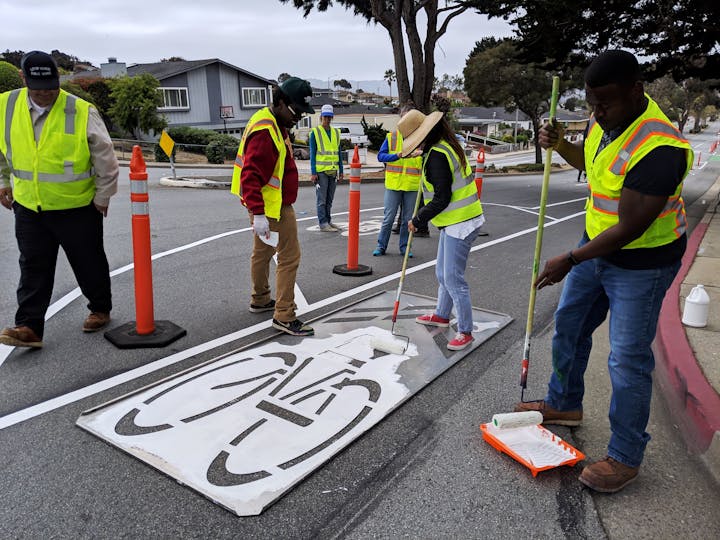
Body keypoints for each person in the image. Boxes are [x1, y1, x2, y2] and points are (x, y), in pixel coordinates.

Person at [514, 50, 694, 493]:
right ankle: (565, 404)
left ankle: (626, 456)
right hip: (596, 249)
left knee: (627, 358)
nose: (597, 111)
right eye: (592, 102)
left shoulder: (660, 148)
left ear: (637, 91)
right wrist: (560, 145)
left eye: (605, 102)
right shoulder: (604, 120)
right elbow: (591, 164)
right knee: (569, 327)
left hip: (643, 262)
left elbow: (632, 226)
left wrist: (571, 259)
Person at [0, 51, 119, 349]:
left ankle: (99, 308)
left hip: (77, 205)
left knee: (88, 261)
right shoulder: (5, 105)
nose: (45, 95)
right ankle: (28, 327)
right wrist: (3, 181)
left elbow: (105, 159)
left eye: (51, 88)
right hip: (29, 204)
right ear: (23, 78)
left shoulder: (80, 110)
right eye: (38, 89)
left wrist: (103, 196)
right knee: (33, 266)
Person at [231, 76, 315, 337]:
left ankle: (260, 298)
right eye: (296, 111)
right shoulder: (267, 132)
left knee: (263, 251)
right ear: (280, 102)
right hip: (272, 207)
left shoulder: (270, 120)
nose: (297, 118)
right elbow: (250, 175)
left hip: (265, 206)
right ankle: (285, 315)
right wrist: (258, 213)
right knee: (289, 258)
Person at [400, 110, 485, 351]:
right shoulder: (443, 146)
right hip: (455, 220)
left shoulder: (437, 154)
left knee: (453, 278)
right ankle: (441, 314)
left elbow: (441, 197)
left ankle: (466, 330)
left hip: (461, 221)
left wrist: (418, 220)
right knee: (442, 273)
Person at [374, 106, 424, 257]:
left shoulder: (420, 139)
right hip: (394, 184)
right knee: (388, 219)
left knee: (408, 220)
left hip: (412, 186)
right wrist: (398, 155)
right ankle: (381, 246)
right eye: (404, 118)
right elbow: (380, 157)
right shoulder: (392, 137)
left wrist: (421, 154)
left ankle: (405, 247)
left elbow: (426, 160)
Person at [310, 104, 343, 232]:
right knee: (321, 200)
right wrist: (313, 172)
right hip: (321, 172)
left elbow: (338, 153)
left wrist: (341, 171)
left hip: (333, 171)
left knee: (329, 199)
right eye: (325, 117)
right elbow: (313, 154)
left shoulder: (336, 133)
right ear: (321, 117)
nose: (327, 120)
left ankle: (328, 221)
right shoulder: (315, 133)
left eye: (329, 117)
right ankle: (323, 223)